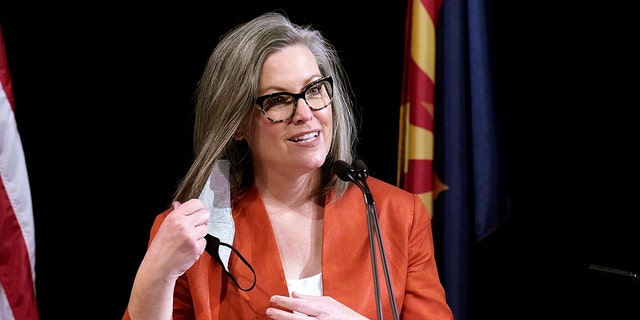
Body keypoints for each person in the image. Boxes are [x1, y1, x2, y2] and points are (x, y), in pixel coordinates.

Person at [122, 11, 453, 320]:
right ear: (237, 123)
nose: (306, 113)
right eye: (278, 100)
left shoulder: (398, 214)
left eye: (314, 89)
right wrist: (156, 274)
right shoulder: (191, 233)